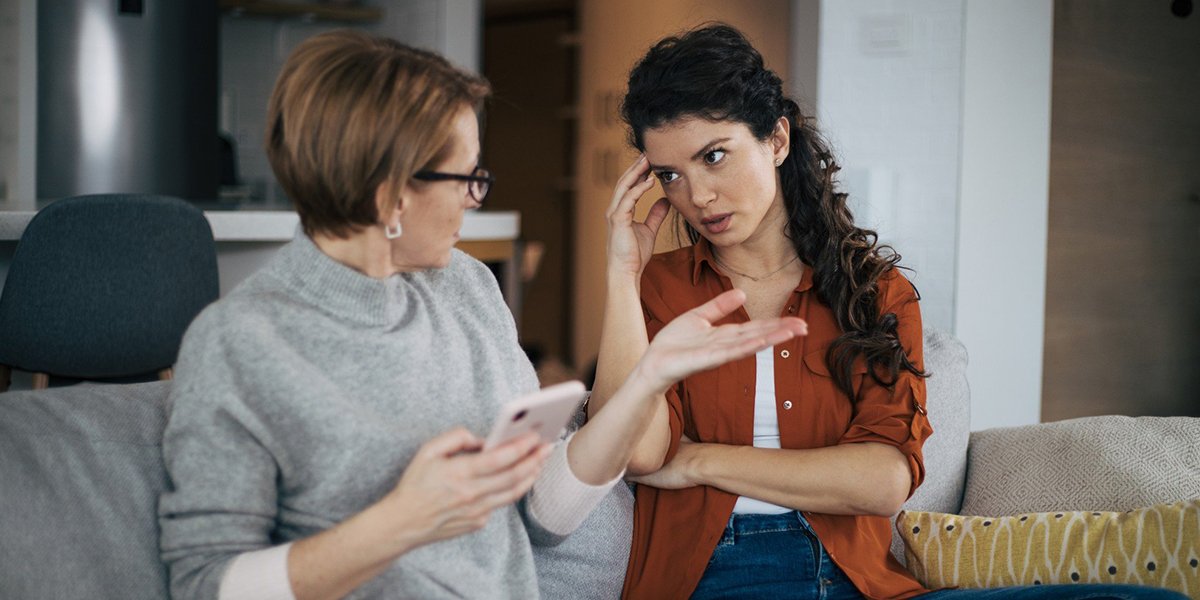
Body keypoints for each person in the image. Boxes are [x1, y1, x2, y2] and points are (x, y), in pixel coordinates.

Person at [157, 30, 807, 600]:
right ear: (391, 196)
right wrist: (402, 521)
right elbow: (204, 584)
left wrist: (646, 382)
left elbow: (544, 516)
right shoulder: (240, 342)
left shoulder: (467, 288)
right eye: (466, 178)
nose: (475, 199)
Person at [590, 23, 1187, 600]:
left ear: (776, 139)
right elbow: (638, 453)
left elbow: (882, 482)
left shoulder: (872, 291)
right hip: (716, 576)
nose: (697, 196)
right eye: (670, 175)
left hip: (859, 582)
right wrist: (622, 274)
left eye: (714, 157)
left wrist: (698, 459)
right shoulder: (660, 290)